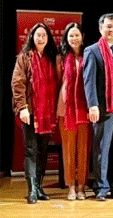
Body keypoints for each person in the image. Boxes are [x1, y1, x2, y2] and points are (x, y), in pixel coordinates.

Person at [12, 22, 59, 204]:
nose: (41, 38)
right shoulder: (24, 57)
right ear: (32, 37)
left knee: (42, 150)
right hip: (30, 111)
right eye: (38, 35)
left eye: (44, 35)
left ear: (48, 39)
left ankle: (39, 187)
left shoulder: (51, 57)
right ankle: (31, 189)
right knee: (31, 150)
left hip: (47, 113)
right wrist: (22, 107)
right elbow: (18, 83)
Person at [83, 13, 113, 201]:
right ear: (101, 28)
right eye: (108, 26)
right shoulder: (92, 51)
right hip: (102, 106)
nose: (112, 30)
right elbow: (89, 80)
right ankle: (101, 187)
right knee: (102, 148)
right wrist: (92, 105)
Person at [56, 23, 90, 201]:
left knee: (83, 148)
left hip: (84, 107)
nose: (74, 39)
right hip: (66, 108)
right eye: (71, 36)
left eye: (77, 35)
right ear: (66, 38)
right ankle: (71, 186)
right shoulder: (61, 57)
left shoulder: (88, 55)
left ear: (82, 37)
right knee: (69, 148)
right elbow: (57, 81)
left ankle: (82, 186)